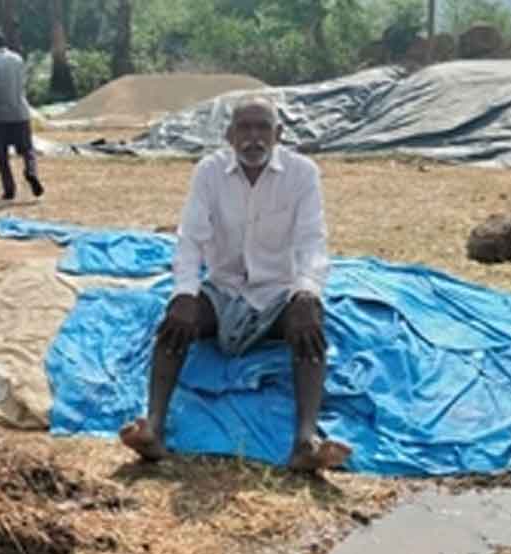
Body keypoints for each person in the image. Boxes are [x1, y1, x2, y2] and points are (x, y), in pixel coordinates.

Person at [119, 98, 351, 472]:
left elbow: (312, 242)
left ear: (279, 134)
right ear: (229, 135)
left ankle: (306, 441)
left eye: (263, 128)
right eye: (245, 128)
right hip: (224, 289)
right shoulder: (208, 173)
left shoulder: (302, 173)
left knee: (310, 328)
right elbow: (190, 240)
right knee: (174, 325)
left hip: (278, 293)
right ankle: (155, 427)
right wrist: (184, 293)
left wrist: (307, 291)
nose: (254, 137)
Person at [0, 29, 43, 202]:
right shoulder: (17, 59)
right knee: (28, 150)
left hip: (0, 116)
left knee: (1, 155)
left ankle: (9, 190)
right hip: (21, 112)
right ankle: (31, 172)